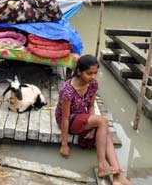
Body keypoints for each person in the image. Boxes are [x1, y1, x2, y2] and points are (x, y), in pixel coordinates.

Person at [55, 54, 131, 185]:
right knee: (103, 121)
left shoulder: (93, 84)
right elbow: (65, 119)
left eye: (95, 73)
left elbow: (90, 106)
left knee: (105, 131)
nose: (93, 77)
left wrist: (92, 124)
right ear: (79, 71)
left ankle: (118, 176)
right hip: (69, 120)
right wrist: (64, 145)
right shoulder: (67, 91)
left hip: (83, 117)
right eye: (89, 73)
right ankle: (102, 167)